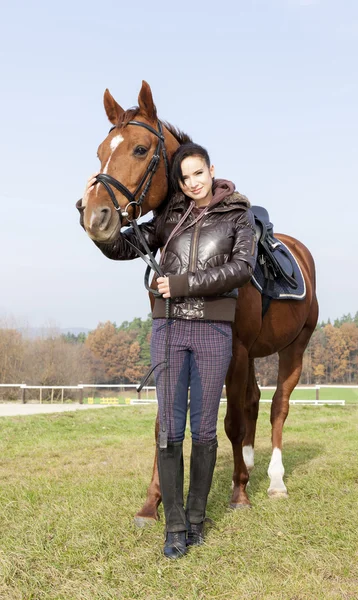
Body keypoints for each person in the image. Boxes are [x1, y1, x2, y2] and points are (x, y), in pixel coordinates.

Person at [80, 143, 257, 559]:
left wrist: (181, 285)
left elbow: (242, 269)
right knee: (170, 430)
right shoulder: (168, 218)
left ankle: (197, 519)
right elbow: (119, 246)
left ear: (211, 171)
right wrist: (86, 208)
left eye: (198, 174)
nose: (193, 183)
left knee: (204, 432)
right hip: (169, 330)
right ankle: (175, 526)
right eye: (185, 178)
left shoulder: (238, 215)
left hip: (214, 331)